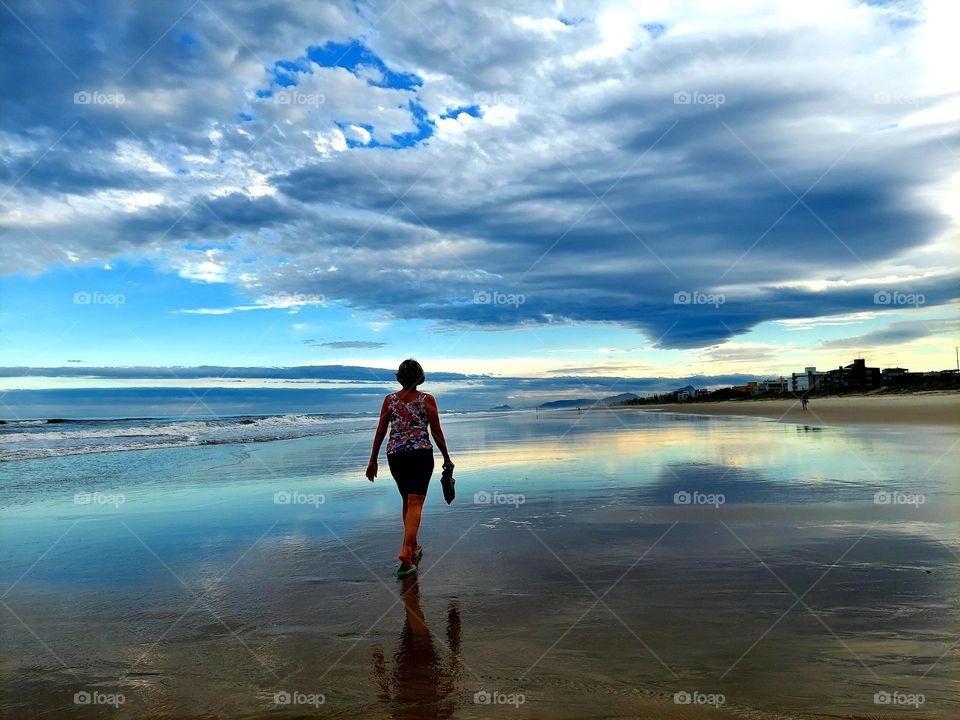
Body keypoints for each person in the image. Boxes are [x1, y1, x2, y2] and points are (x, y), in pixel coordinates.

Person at [367, 359, 454, 577]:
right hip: (420, 454)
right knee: (416, 502)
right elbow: (436, 432)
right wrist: (446, 457)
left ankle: (413, 546)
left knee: (407, 499)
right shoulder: (427, 399)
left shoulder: (390, 400)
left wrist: (372, 460)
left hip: (395, 455)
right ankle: (405, 551)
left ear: (400, 377)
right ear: (420, 376)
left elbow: (380, 431)